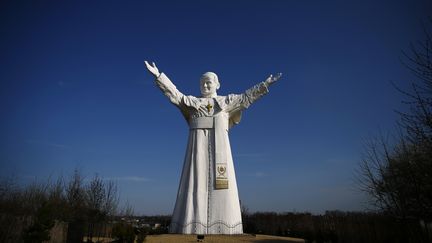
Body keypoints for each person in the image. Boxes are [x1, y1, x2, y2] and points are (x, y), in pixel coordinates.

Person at [144, 61, 281, 234]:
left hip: (220, 149)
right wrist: (158, 76)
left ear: (218, 84)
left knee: (223, 186)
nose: (206, 85)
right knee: (195, 183)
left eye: (209, 82)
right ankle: (192, 224)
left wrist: (264, 85)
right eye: (202, 83)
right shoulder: (192, 102)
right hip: (197, 149)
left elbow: (247, 98)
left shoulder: (226, 102)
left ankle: (225, 225)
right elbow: (175, 95)